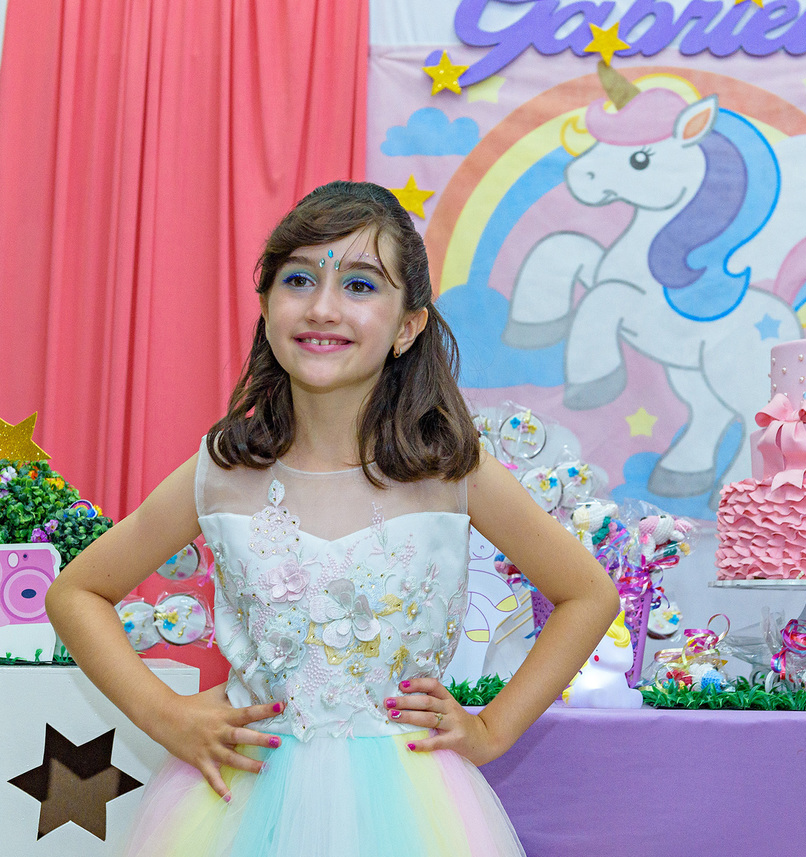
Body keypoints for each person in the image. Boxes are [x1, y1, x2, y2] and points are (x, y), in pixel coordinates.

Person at [45, 180, 620, 856]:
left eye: (360, 285)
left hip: (411, 809)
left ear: (408, 326)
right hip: (240, 805)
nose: (323, 307)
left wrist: (492, 730)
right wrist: (162, 713)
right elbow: (76, 592)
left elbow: (589, 594)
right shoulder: (223, 469)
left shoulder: (452, 470)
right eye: (298, 279)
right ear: (266, 306)